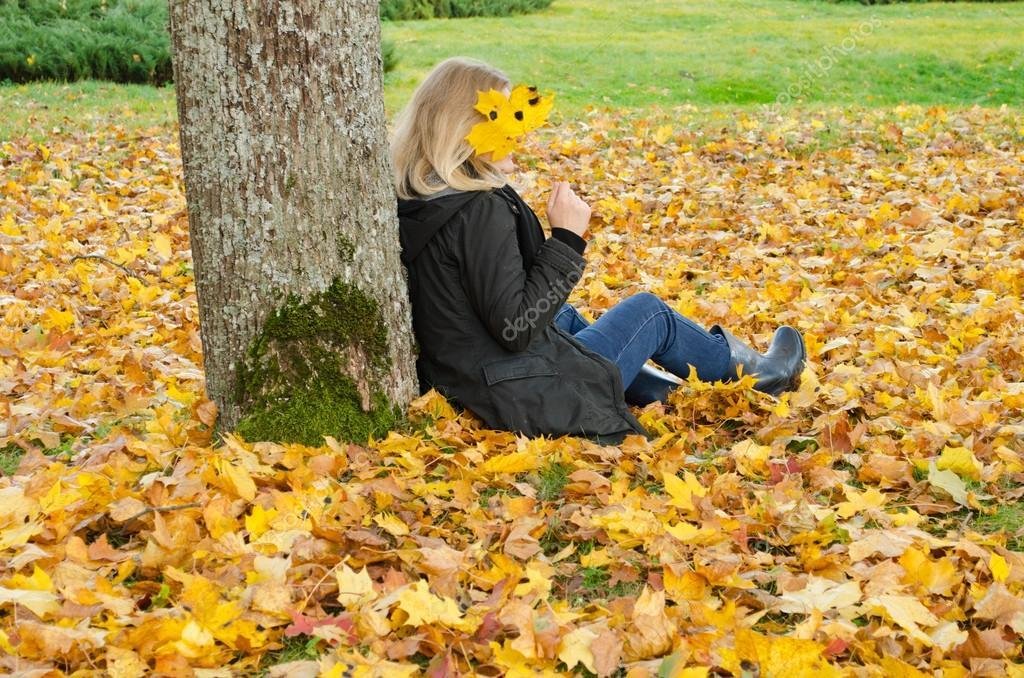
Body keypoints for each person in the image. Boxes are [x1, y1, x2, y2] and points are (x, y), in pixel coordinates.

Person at [392, 57, 806, 443]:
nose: (523, 133)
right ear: (467, 128)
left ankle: (661, 393)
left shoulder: (424, 196)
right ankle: (762, 374)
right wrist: (567, 240)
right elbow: (515, 329)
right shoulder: (479, 211)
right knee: (649, 314)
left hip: (480, 380)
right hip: (521, 393)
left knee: (566, 317)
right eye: (507, 120)